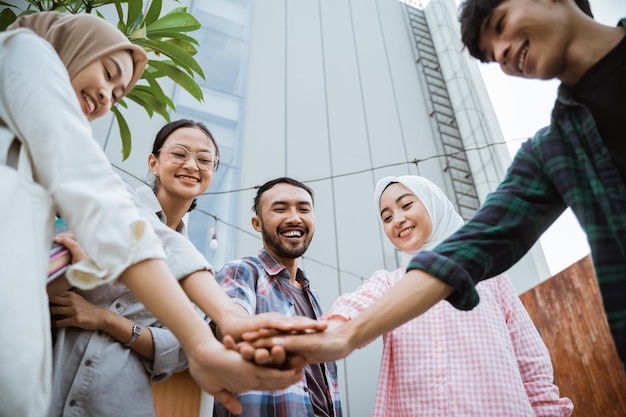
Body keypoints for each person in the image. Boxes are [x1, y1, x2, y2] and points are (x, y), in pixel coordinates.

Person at [240, 0, 626, 373]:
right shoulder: (553, 152)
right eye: (493, 57)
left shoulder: (501, 287)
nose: (505, 55)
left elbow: (532, 365)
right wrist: (344, 335)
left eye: (500, 25)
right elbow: (466, 251)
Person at [0, 12, 316, 417]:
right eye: (109, 72)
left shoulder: (46, 169)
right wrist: (215, 323)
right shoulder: (27, 52)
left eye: (117, 94)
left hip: (112, 395)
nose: (106, 97)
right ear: (153, 162)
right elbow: (116, 215)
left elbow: (176, 348)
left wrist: (211, 324)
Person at [48, 119, 266, 417]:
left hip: (114, 401)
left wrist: (104, 319)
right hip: (48, 373)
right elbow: (45, 277)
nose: (192, 165)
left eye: (204, 160)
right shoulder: (110, 203)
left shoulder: (196, 272)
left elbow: (177, 352)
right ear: (153, 162)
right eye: (179, 153)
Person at [324, 175, 572, 416]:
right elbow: (355, 305)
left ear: (435, 204)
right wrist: (329, 332)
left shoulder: (488, 275)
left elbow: (530, 359)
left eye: (407, 205)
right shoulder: (390, 283)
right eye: (387, 217)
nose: (397, 220)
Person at [213, 177, 342, 417]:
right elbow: (230, 321)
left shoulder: (312, 297)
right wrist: (238, 327)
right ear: (257, 223)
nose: (294, 218)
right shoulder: (243, 271)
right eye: (280, 209)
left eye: (304, 209)